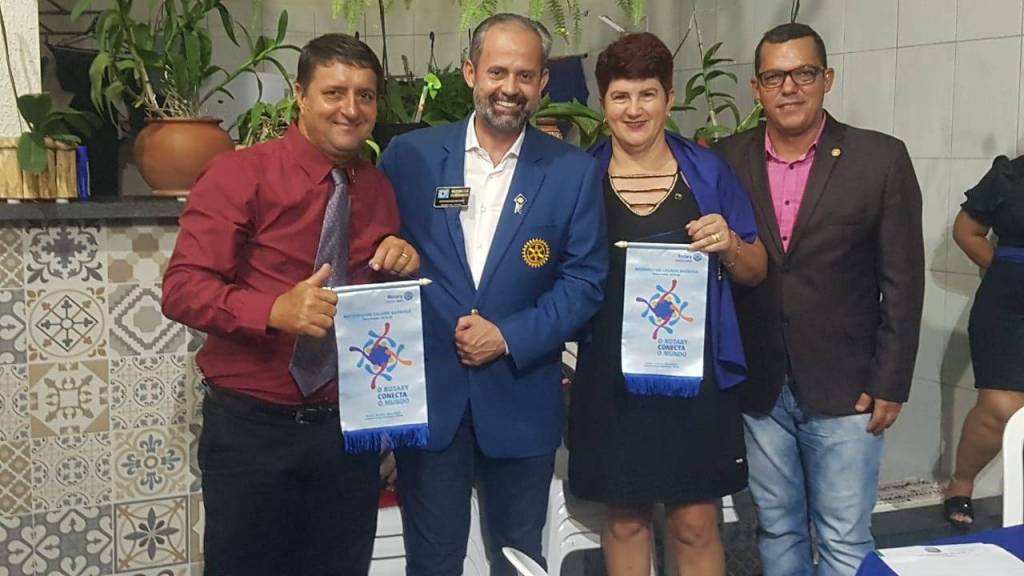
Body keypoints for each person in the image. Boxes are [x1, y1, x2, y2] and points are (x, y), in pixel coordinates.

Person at [161, 34, 420, 576]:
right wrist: (272, 311)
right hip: (253, 430)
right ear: (300, 95)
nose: (351, 109)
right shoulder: (239, 174)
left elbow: (374, 305)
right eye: (334, 92)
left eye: (365, 95)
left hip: (346, 432)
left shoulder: (378, 190)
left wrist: (400, 259)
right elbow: (182, 289)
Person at [378, 13, 607, 576]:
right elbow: (374, 252)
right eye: (497, 72)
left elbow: (584, 282)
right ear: (470, 72)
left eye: (525, 75)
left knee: (519, 558)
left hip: (521, 398)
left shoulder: (572, 172)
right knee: (432, 562)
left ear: (543, 83)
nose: (510, 87)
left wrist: (507, 336)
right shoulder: (409, 157)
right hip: (431, 400)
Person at [714, 23, 925, 576]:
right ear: (756, 88)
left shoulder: (879, 159)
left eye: (803, 73)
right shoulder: (727, 159)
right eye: (774, 77)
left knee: (844, 536)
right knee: (777, 527)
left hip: (848, 387)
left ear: (827, 78)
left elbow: (903, 280)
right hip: (760, 385)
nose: (789, 88)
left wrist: (892, 379)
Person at [569, 33, 767, 576]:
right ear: (603, 102)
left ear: (670, 98)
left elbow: (756, 269)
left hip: (693, 378)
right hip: (611, 379)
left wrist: (730, 244)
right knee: (625, 520)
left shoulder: (708, 173)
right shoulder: (580, 177)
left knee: (695, 522)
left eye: (647, 94)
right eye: (620, 96)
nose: (634, 110)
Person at [944, 155, 1024, 528]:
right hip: (1007, 309)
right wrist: (1007, 271)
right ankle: (961, 483)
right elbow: (966, 231)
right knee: (1000, 408)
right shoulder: (1010, 174)